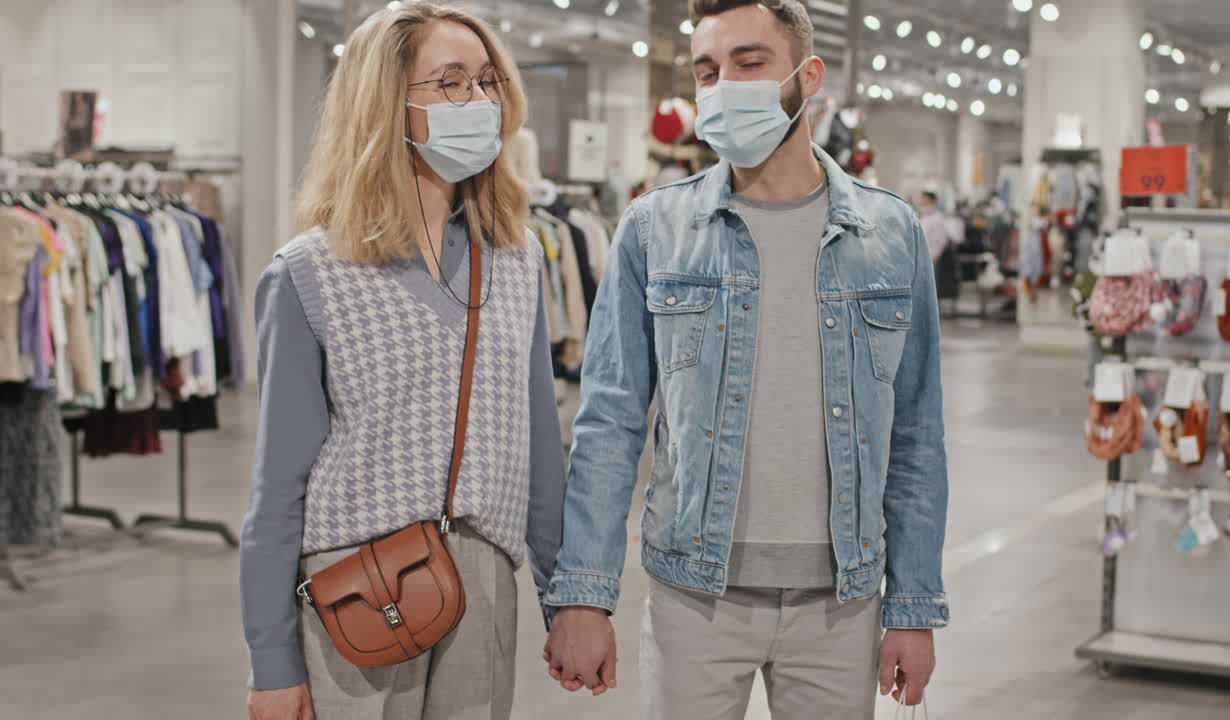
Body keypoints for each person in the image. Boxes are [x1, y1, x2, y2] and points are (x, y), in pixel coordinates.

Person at [541, 0, 949, 717]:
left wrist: (912, 605)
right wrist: (584, 594)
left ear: (807, 76)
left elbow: (916, 435)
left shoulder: (892, 234)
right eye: (707, 70)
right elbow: (608, 424)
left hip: (841, 605)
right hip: (693, 595)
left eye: (749, 62)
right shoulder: (653, 229)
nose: (724, 85)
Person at [239, 3, 565, 719]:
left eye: (486, 83)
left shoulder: (514, 261)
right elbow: (277, 485)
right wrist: (271, 661)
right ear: (388, 103)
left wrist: (566, 598)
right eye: (450, 83)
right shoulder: (308, 275)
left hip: (482, 579)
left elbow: (540, 444)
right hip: (356, 588)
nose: (477, 102)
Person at [918, 190, 953, 263]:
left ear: (933, 201)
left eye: (925, 201)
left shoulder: (938, 218)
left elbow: (941, 242)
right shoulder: (923, 218)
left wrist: (932, 259)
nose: (922, 203)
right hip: (923, 259)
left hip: (933, 260)